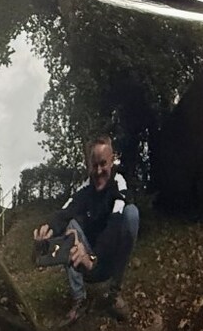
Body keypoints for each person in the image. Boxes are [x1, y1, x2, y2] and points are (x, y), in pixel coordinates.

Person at [33, 135, 140, 321]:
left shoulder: (119, 184)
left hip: (107, 261)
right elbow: (65, 211)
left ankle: (114, 294)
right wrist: (47, 228)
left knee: (131, 214)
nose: (98, 171)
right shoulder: (84, 188)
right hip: (86, 264)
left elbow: (115, 224)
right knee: (70, 227)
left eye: (103, 164)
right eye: (94, 166)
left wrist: (93, 257)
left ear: (112, 160)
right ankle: (79, 298)